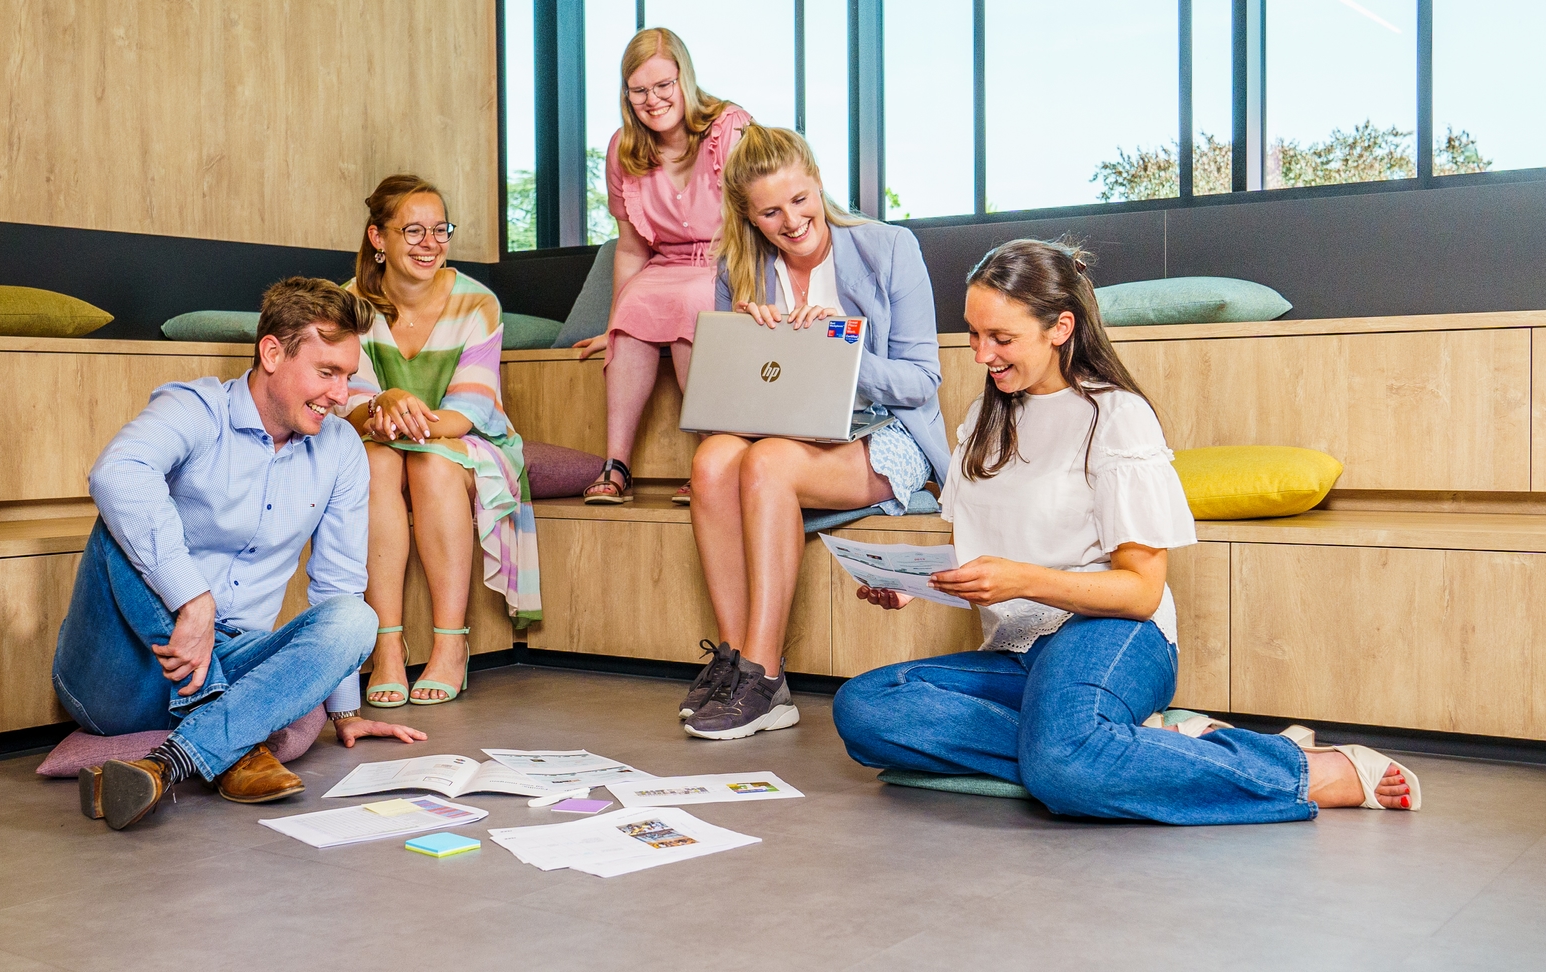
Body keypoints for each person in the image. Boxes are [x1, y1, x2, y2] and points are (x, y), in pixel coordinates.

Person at [832, 239, 1421, 824]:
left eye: (1002, 338)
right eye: (974, 333)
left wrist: (1023, 580)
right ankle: (1136, 747)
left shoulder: (1115, 418)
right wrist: (920, 581)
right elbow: (985, 548)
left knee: (1063, 762)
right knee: (865, 707)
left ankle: (1297, 770)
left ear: (1059, 328)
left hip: (1112, 634)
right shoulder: (983, 421)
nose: (981, 353)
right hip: (1016, 655)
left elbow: (1139, 591)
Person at [53, 277, 427, 831]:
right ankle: (234, 741)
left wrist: (344, 710)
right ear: (272, 352)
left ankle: (168, 762)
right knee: (119, 522)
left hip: (231, 657)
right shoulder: (195, 408)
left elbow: (337, 584)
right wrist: (193, 600)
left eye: (348, 376)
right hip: (123, 673)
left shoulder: (341, 449)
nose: (342, 395)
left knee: (357, 618)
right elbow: (117, 473)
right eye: (327, 373)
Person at [681, 125, 952, 741]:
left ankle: (766, 678)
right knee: (714, 459)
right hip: (789, 425)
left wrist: (843, 346)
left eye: (800, 200)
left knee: (769, 463)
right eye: (771, 211)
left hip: (886, 428)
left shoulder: (888, 247)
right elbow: (734, 401)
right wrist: (753, 346)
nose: (792, 220)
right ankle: (732, 661)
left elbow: (921, 381)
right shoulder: (738, 266)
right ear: (748, 216)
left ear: (818, 183)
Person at [343, 174, 540, 707]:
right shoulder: (349, 304)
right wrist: (381, 406)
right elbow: (349, 400)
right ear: (377, 238)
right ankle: (386, 647)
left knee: (427, 463)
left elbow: (470, 410)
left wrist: (400, 416)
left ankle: (451, 644)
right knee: (378, 463)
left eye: (440, 230)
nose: (430, 243)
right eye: (413, 231)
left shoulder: (478, 303)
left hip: (467, 443)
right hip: (379, 442)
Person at [577, 27, 751, 506]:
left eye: (663, 86)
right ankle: (616, 465)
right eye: (639, 91)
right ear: (626, 94)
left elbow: (754, 225)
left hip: (726, 261)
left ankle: (711, 460)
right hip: (665, 265)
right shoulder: (622, 149)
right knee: (634, 309)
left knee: (693, 302)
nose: (652, 100)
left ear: (685, 80)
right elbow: (631, 249)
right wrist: (613, 323)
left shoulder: (729, 127)